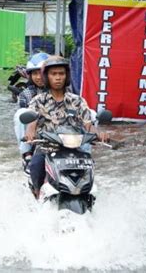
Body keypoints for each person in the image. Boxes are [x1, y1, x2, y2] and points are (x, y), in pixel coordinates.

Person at [25, 56, 105, 198]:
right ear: (46, 77)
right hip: (46, 148)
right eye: (53, 74)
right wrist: (30, 133)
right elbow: (31, 123)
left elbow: (88, 125)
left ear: (66, 76)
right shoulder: (38, 101)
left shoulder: (77, 101)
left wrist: (99, 133)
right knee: (36, 165)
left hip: (74, 148)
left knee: (89, 167)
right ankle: (37, 194)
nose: (57, 78)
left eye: (61, 74)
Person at [13, 52, 50, 170]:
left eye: (41, 73)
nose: (39, 77)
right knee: (20, 114)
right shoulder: (26, 94)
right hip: (35, 130)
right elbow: (28, 114)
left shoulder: (64, 91)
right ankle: (26, 154)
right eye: (35, 73)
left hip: (59, 127)